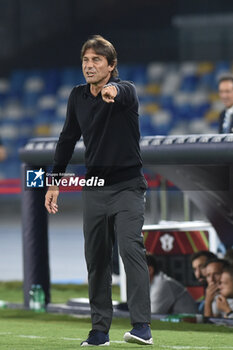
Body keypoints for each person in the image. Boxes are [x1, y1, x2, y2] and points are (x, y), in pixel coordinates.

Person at [45, 35, 153, 346]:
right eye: (86, 61)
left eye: (96, 61)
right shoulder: (77, 96)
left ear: (111, 66)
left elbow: (121, 91)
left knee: (131, 249)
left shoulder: (126, 91)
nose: (89, 66)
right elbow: (66, 140)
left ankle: (142, 326)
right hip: (94, 187)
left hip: (128, 187)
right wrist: (54, 182)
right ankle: (99, 331)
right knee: (96, 259)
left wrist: (112, 90)